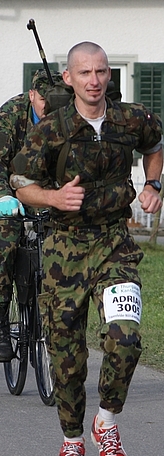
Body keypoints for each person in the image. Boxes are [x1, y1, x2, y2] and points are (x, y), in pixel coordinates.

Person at [10, 41, 164, 456]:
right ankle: (72, 441)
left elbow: (154, 146)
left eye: (100, 72)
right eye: (84, 73)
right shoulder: (51, 129)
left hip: (115, 243)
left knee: (126, 338)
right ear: (68, 78)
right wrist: (54, 197)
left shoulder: (132, 118)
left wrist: (153, 185)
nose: (94, 81)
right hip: (65, 247)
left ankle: (107, 422)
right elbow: (21, 182)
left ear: (109, 74)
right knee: (66, 352)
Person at [0, 69, 64, 362]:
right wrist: (4, 196)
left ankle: (59, 322)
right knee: (6, 241)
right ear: (32, 96)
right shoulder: (11, 116)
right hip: (8, 191)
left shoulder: (65, 118)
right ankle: (1, 321)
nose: (46, 105)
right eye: (42, 99)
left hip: (44, 193)